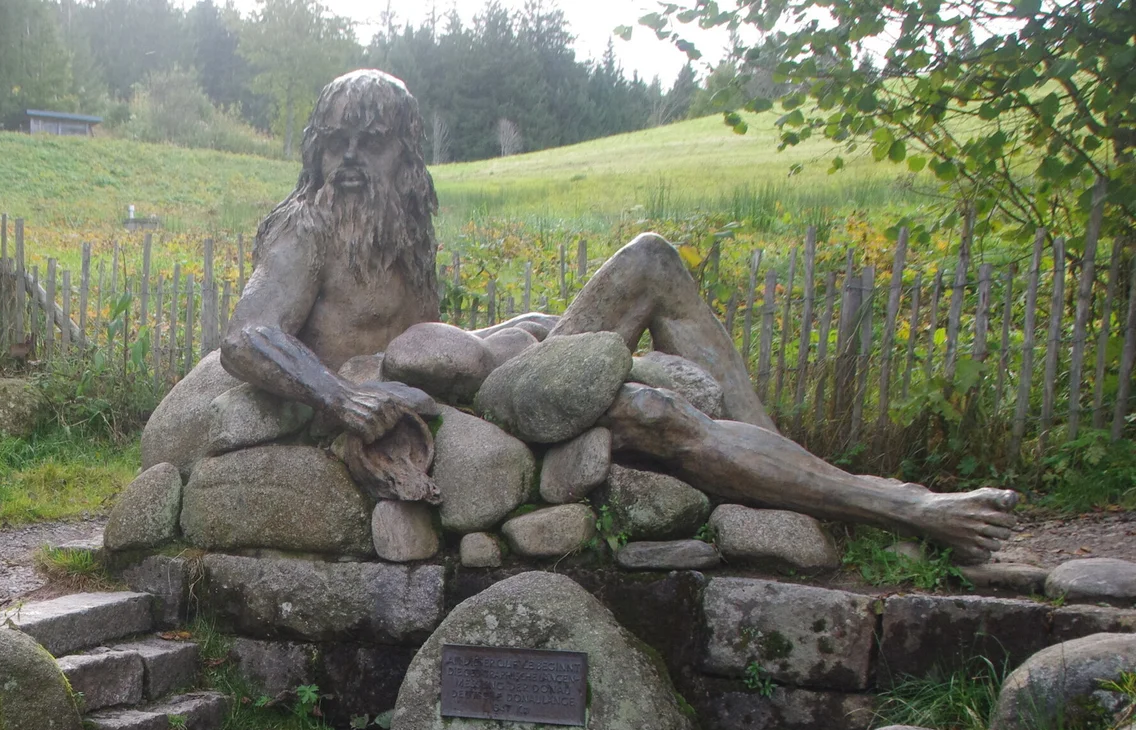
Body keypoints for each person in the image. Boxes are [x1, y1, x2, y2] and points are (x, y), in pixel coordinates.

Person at [208, 68, 1017, 560]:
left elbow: (434, 349)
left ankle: (786, 471)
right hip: (456, 416)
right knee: (656, 412)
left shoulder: (399, 233)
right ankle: (902, 507)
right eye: (337, 142)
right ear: (315, 150)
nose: (350, 161)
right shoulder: (307, 227)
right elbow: (248, 336)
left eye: (372, 143)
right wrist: (341, 398)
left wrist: (509, 334)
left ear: (406, 157)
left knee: (654, 258)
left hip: (496, 386)